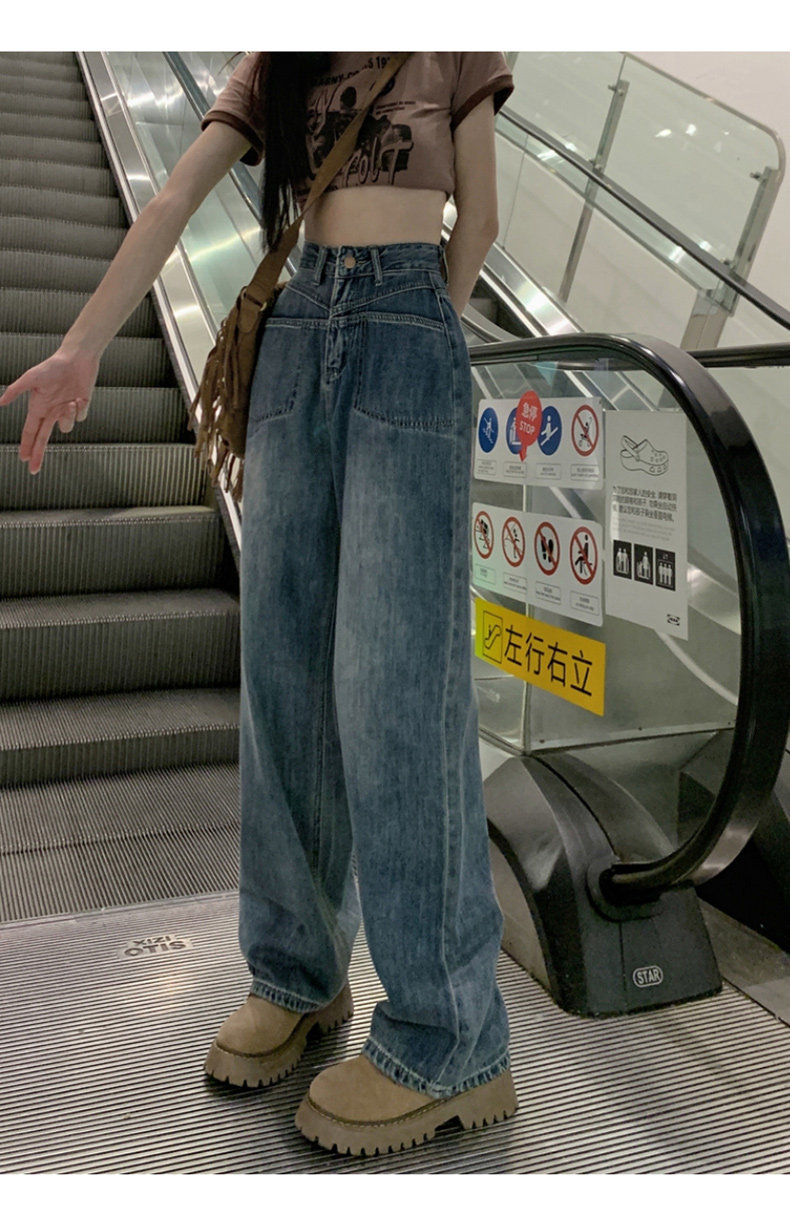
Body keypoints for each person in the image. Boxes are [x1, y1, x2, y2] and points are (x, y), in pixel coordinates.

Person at [0, 51, 517, 1157]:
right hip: (294, 331)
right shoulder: (277, 54)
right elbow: (176, 195)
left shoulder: (453, 38)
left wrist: (415, 335)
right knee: (281, 675)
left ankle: (452, 1035)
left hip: (404, 329)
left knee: (395, 687)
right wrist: (81, 347)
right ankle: (296, 973)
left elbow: (478, 216)